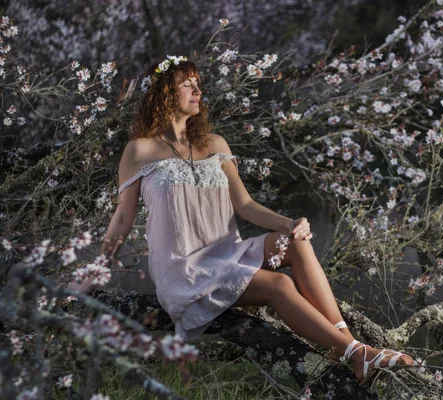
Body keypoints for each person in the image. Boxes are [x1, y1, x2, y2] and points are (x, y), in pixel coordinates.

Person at [74, 55, 413, 383]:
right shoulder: (139, 150)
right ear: (165, 92)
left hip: (226, 252)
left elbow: (246, 205)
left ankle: (353, 347)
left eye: (198, 84)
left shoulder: (215, 143)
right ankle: (358, 354)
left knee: (295, 243)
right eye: (187, 84)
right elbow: (121, 219)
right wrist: (89, 279)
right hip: (186, 270)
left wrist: (290, 223)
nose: (197, 91)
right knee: (280, 284)